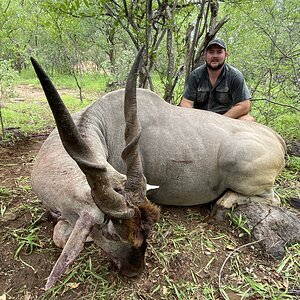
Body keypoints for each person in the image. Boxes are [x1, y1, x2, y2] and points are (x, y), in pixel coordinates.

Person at [180, 38, 254, 121]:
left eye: (219, 52)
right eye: (211, 52)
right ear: (205, 55)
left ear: (226, 55)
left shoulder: (234, 76)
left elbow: (244, 105)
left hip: (226, 119)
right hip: (200, 120)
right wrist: (192, 120)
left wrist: (220, 120)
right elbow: (186, 102)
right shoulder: (195, 75)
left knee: (248, 119)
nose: (215, 56)